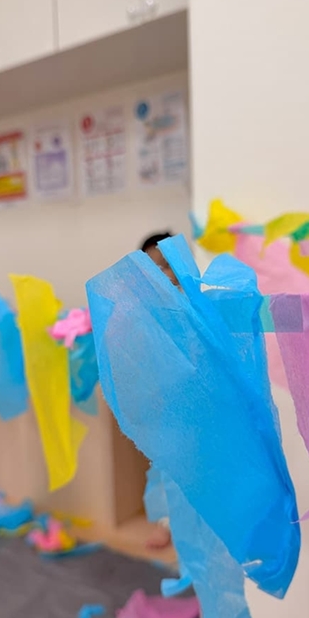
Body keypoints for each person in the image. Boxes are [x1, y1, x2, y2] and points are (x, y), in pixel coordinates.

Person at [139, 232, 174, 549]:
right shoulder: (144, 308)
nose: (161, 273)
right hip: (160, 400)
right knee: (164, 466)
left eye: (166, 265)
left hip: (191, 401)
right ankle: (166, 524)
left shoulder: (189, 301)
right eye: (153, 267)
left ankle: (197, 526)